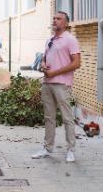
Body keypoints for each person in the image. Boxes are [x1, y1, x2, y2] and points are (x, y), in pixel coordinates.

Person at [32, 11, 81, 163]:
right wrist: (43, 65)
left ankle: (71, 150)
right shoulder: (50, 40)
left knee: (67, 118)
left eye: (58, 19)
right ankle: (47, 148)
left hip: (61, 84)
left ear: (66, 23)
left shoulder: (70, 40)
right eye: (54, 18)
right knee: (49, 117)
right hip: (47, 83)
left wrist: (55, 73)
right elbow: (45, 59)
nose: (55, 20)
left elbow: (76, 63)